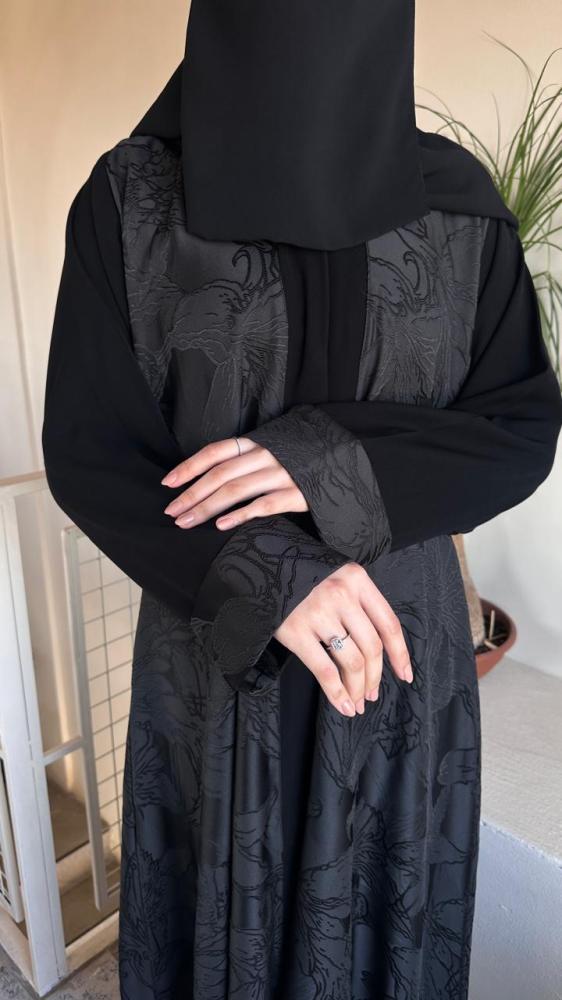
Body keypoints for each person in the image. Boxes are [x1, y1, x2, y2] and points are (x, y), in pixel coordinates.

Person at [42, 1, 562, 997]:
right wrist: (269, 572)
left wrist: (325, 463)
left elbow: (519, 427)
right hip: (217, 658)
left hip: (397, 670)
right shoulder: (132, 203)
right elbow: (92, 450)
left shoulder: (458, 210)